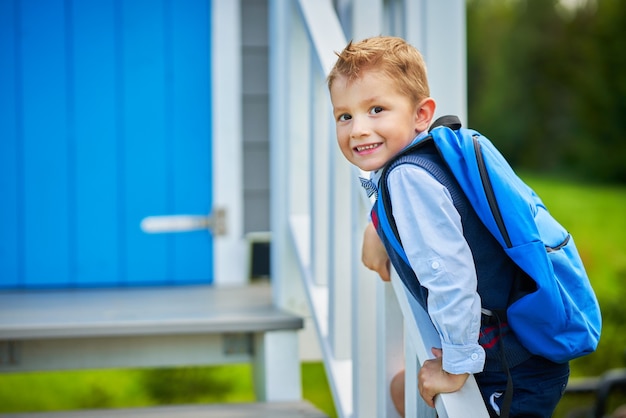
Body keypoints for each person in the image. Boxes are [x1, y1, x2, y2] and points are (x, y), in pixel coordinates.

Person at [327, 36, 570, 417]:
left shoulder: (408, 179)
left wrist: (456, 367)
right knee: (400, 389)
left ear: (421, 115)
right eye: (345, 115)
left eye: (376, 109)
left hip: (509, 370)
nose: (357, 129)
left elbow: (449, 277)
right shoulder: (429, 160)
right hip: (519, 358)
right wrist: (378, 226)